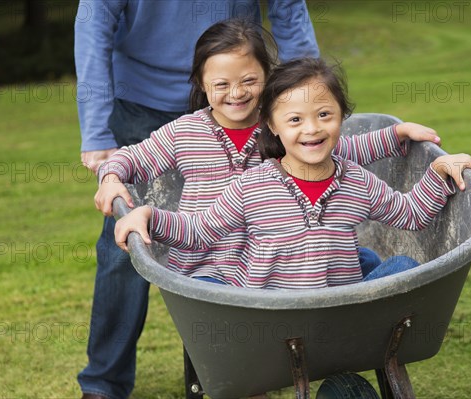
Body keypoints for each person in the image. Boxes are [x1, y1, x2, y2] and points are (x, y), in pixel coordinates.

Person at [74, 2, 320, 398]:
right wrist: (97, 131)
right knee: (126, 241)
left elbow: (289, 10)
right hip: (142, 100)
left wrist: (306, 100)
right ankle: (104, 383)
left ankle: (239, 369)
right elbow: (94, 21)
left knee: (260, 227)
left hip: (244, 90)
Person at [95, 19, 442, 286]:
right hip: (208, 262)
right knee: (216, 304)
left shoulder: (278, 127)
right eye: (221, 85)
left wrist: (394, 134)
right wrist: (111, 177)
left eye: (249, 80)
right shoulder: (185, 132)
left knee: (356, 255)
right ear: (202, 84)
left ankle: (352, 321)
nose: (236, 93)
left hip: (275, 257)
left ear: (267, 75)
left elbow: (340, 149)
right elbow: (131, 158)